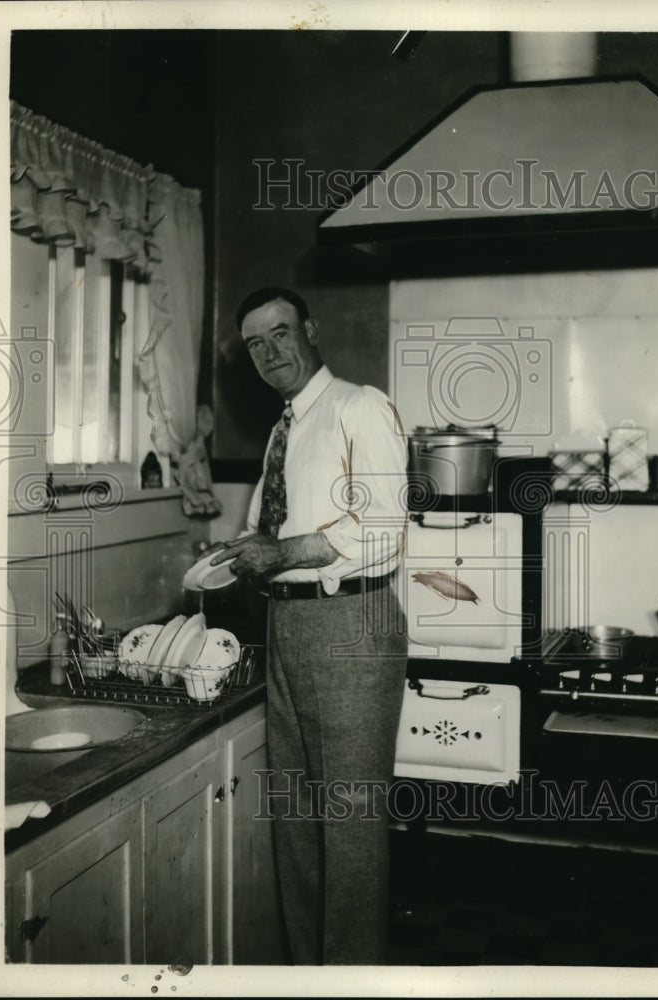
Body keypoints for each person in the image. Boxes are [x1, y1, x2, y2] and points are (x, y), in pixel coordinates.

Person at [212, 287, 409, 965]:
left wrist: (283, 554)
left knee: (349, 825)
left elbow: (382, 529)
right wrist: (240, 556)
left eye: (280, 333)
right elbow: (268, 531)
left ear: (311, 330)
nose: (270, 352)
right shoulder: (283, 428)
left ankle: (352, 977)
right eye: (255, 344)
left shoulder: (360, 407)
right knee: (296, 819)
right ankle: (309, 974)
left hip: (351, 623)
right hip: (289, 623)